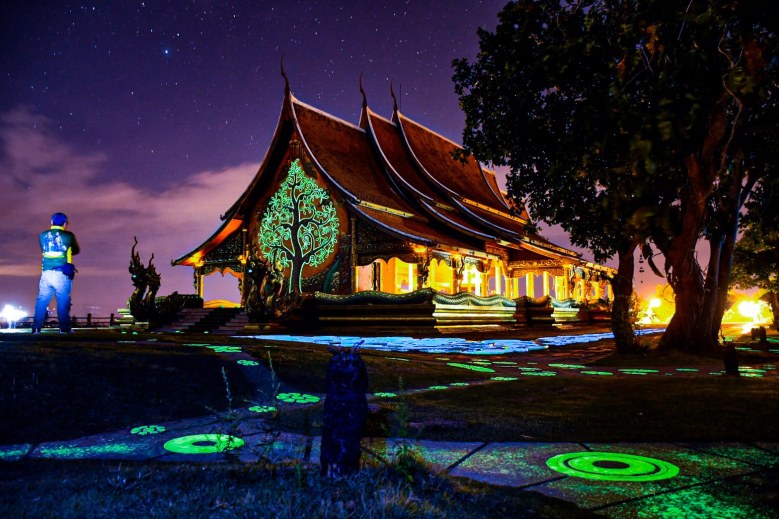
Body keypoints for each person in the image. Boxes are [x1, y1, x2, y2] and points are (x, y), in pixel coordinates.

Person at [33, 213, 80, 334]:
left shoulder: (42, 235)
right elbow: (76, 250)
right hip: (62, 273)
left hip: (46, 273)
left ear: (51, 222)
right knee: (63, 301)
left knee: (42, 301)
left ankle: (36, 328)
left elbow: (44, 250)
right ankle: (64, 328)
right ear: (65, 224)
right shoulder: (68, 235)